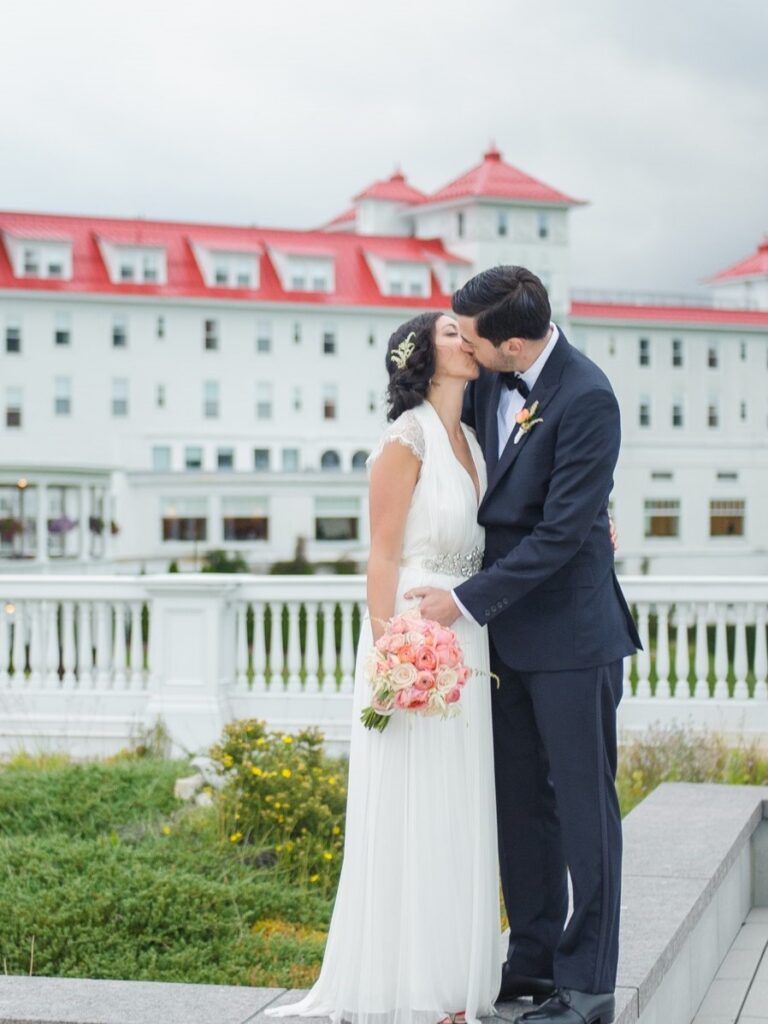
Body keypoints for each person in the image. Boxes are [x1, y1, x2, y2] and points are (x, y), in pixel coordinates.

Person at [407, 267, 641, 1024]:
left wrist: (462, 602)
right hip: (501, 641)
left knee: (583, 811)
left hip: (572, 637)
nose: (465, 350)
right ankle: (532, 962)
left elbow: (562, 532)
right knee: (521, 808)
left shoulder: (589, 395)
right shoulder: (487, 382)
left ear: (512, 344)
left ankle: (588, 985)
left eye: (473, 339)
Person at [266, 311, 502, 1024]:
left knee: (459, 803)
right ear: (423, 358)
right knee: (416, 804)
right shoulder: (405, 439)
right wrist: (390, 651)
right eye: (452, 333)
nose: (467, 339)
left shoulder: (472, 438)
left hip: (467, 634)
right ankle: (412, 987)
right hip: (415, 633)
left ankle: (455, 982)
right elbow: (382, 552)